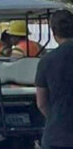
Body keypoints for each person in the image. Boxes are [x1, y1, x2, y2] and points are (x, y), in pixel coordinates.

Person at [35, 9, 73, 149]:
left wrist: (55, 118)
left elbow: (41, 103)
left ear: (53, 32)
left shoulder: (46, 61)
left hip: (57, 134)